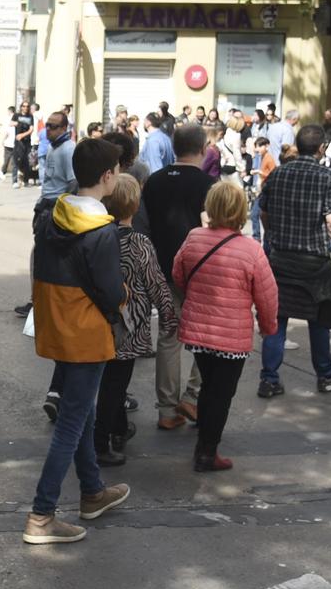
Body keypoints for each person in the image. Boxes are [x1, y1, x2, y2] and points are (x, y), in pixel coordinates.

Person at [22, 137, 134, 544]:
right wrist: (122, 301)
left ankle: (92, 491)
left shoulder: (54, 215)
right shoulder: (102, 231)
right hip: (86, 332)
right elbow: (110, 290)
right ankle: (41, 514)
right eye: (117, 170)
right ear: (107, 176)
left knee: (81, 410)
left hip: (56, 324)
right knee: (71, 422)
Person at [173, 180, 281, 472]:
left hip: (198, 331)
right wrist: (269, 327)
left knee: (209, 386)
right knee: (221, 393)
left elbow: (178, 274)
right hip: (231, 337)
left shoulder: (194, 237)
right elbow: (267, 296)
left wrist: (194, 296)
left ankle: (205, 438)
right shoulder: (251, 249)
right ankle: (207, 452)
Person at [255, 124, 331, 398]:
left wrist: (273, 233)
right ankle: (326, 374)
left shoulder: (279, 173)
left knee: (277, 319)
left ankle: (270, 379)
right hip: (314, 260)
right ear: (322, 148)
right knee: (320, 318)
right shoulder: (328, 176)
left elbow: (263, 211)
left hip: (281, 258)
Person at [93, 173, 174, 467]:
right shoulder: (140, 243)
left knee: (111, 380)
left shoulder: (97, 237)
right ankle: (100, 441)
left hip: (100, 320)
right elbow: (156, 284)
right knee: (116, 383)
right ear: (136, 205)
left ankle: (118, 429)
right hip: (129, 325)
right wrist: (169, 315)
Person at [142, 124, 217, 429]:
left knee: (168, 337)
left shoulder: (154, 181)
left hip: (163, 266)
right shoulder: (209, 184)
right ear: (203, 149)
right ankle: (194, 397)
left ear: (174, 147)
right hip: (200, 268)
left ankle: (167, 410)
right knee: (206, 337)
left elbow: (144, 224)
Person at [37, 112, 76, 204]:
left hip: (56, 202)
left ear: (64, 128)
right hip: (45, 201)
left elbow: (74, 182)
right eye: (47, 125)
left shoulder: (69, 149)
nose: (48, 129)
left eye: (53, 126)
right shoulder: (51, 146)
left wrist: (62, 206)